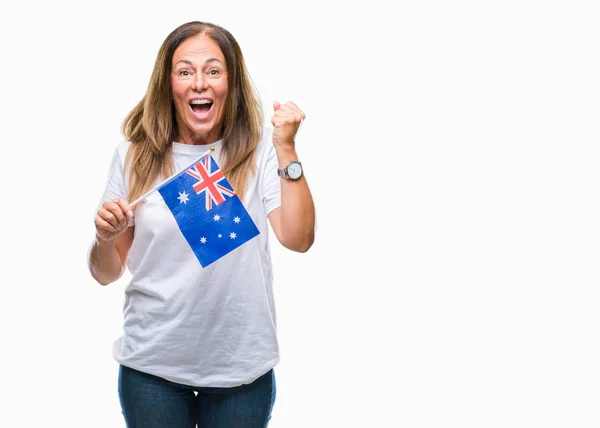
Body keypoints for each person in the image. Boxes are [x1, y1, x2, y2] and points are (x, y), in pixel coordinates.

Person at [88, 20, 315, 428]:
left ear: (231, 82)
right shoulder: (134, 156)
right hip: (152, 366)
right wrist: (104, 238)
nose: (199, 84)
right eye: (185, 71)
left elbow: (298, 239)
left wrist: (287, 148)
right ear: (168, 82)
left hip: (241, 367)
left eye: (213, 70)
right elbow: (105, 272)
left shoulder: (261, 150)